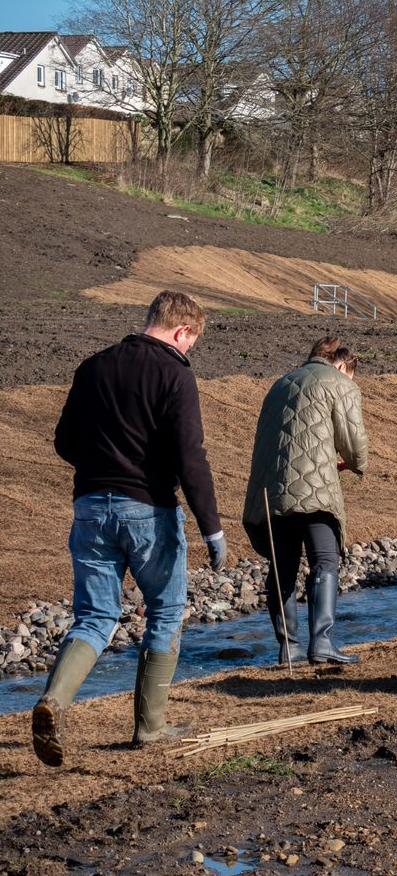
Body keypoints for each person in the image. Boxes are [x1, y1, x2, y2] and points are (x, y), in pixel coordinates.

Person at [35, 291, 227, 767]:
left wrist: (102, 467)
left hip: (89, 508)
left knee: (96, 617)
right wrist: (213, 530)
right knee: (165, 611)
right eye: (192, 343)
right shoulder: (175, 373)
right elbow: (190, 456)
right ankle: (150, 727)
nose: (190, 351)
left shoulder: (93, 366)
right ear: (183, 331)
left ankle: (53, 702)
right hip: (148, 510)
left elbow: (63, 441)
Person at [243, 335, 369, 665]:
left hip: (273, 492)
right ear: (342, 365)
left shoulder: (279, 385)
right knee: (324, 561)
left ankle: (289, 648)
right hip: (315, 490)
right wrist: (355, 464)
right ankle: (322, 642)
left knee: (282, 566)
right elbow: (354, 446)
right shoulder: (339, 384)